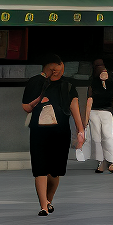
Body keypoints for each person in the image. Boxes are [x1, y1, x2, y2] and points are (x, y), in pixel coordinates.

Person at [21, 59, 83, 215]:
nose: (57, 72)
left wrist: (81, 131)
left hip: (60, 132)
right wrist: (39, 100)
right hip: (38, 131)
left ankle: (48, 200)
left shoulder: (68, 86)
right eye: (53, 69)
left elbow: (74, 109)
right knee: (40, 169)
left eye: (60, 69)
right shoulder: (36, 83)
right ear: (47, 69)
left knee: (55, 171)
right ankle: (43, 206)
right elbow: (26, 107)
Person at [85, 57, 113, 174]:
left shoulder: (112, 85)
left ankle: (111, 161)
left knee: (108, 136)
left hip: (107, 112)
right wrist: (86, 118)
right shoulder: (93, 84)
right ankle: (101, 161)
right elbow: (89, 102)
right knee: (96, 138)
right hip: (94, 112)